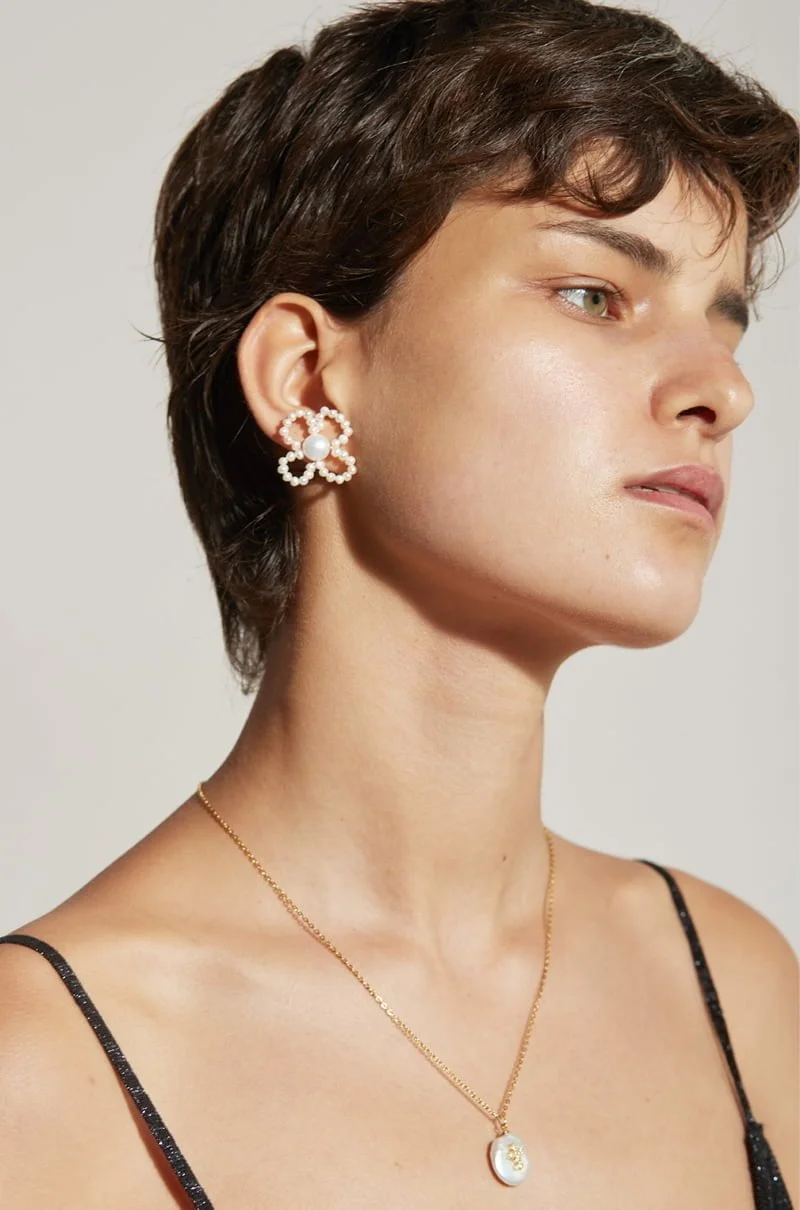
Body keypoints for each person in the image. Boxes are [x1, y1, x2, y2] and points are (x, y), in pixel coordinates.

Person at [0, 0, 797, 1205]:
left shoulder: (732, 990)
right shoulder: (44, 1072)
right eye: (594, 296)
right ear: (308, 378)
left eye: (723, 322)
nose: (722, 391)